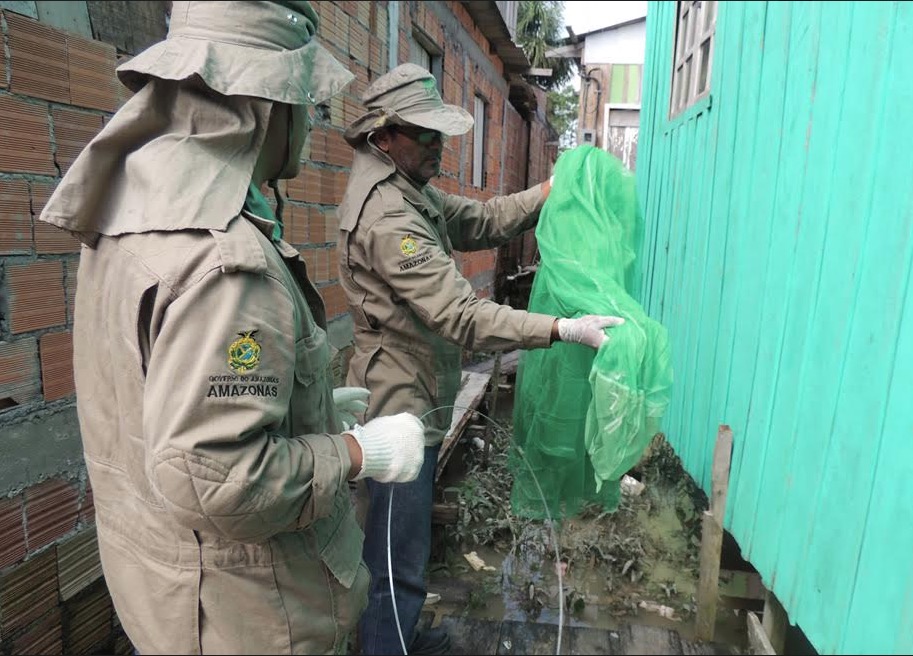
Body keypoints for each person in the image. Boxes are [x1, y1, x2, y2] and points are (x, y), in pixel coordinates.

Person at [37, 3, 426, 654]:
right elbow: (214, 476)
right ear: (269, 104)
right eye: (308, 103)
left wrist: (310, 408)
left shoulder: (134, 203)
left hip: (162, 588)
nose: (310, 126)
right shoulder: (226, 263)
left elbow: (162, 391)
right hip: (246, 618)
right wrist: (360, 451)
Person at [337, 63, 624, 655]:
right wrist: (559, 327)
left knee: (406, 545)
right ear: (384, 135)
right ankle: (389, 645)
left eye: (440, 133)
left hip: (418, 393)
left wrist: (548, 193)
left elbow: (482, 220)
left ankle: (403, 635)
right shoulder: (388, 215)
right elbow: (462, 316)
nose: (438, 145)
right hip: (397, 409)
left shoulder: (407, 189)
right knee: (395, 552)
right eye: (426, 134)